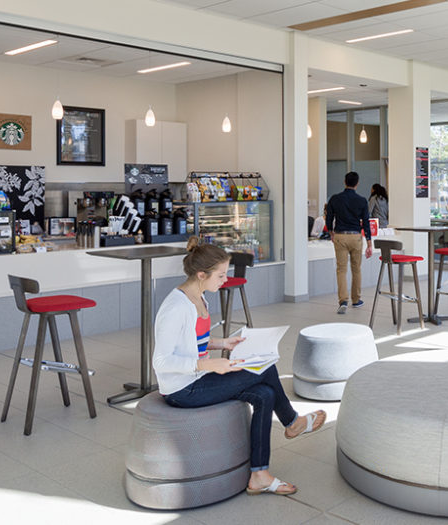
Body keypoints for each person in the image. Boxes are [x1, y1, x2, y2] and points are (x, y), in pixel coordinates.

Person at [153, 238, 326, 495]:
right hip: (182, 390)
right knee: (266, 368)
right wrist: (209, 365)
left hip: (198, 377)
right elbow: (162, 361)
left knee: (266, 394)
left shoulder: (199, 296)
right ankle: (291, 422)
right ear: (201, 274)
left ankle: (260, 475)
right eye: (221, 275)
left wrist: (223, 342)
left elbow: (192, 342)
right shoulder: (176, 307)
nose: (225, 280)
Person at [326, 171, 373, 314]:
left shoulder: (335, 199)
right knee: (356, 269)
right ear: (357, 184)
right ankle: (356, 299)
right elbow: (366, 222)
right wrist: (369, 243)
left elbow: (329, 219)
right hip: (356, 237)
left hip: (340, 236)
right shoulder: (362, 200)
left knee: (341, 269)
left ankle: (343, 300)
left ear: (344, 182)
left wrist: (331, 232)